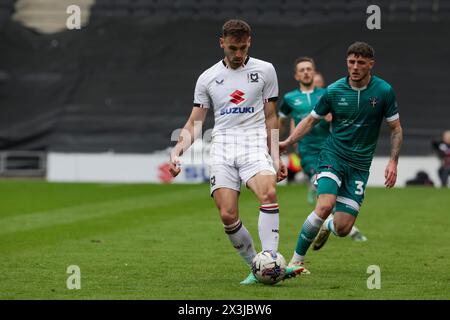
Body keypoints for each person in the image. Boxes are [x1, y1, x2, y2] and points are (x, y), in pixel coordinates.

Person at [168, 19, 303, 284]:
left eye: (242, 47)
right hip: (222, 147)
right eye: (232, 48)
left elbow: (271, 116)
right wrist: (177, 152)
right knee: (228, 215)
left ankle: (272, 259)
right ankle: (257, 266)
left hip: (253, 144)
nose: (238, 54)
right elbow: (195, 123)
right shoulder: (207, 78)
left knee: (269, 192)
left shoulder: (265, 70)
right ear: (222, 44)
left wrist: (276, 157)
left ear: (249, 42)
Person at [279, 42, 403, 272]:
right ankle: (296, 262)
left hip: (359, 165)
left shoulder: (384, 91)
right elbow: (310, 120)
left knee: (343, 228)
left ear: (370, 64)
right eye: (351, 62)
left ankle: (328, 225)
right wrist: (288, 142)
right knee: (325, 204)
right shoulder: (334, 90)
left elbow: (396, 129)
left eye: (360, 62)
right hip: (332, 155)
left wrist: (393, 161)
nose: (355, 67)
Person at [278, 57, 368, 249]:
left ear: (314, 71)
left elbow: (342, 116)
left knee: (335, 191)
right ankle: (344, 226)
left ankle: (331, 223)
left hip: (332, 149)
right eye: (301, 70)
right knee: (327, 195)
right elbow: (283, 121)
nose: (306, 72)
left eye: (309, 69)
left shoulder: (328, 93)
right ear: (296, 75)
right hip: (308, 152)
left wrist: (332, 117)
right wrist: (281, 141)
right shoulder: (289, 98)